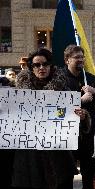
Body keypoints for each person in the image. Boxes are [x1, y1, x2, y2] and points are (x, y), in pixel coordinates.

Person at [12, 48, 84, 189]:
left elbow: (70, 121)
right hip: (29, 158)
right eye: (37, 65)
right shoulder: (19, 93)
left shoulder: (63, 90)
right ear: (31, 68)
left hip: (58, 156)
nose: (41, 68)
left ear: (51, 65)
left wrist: (80, 117)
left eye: (45, 64)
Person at [63, 45, 95, 189]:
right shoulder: (60, 79)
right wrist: (80, 100)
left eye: (82, 57)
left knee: (90, 174)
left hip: (88, 136)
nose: (80, 60)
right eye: (76, 57)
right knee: (66, 174)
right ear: (67, 60)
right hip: (66, 136)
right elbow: (56, 105)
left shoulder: (91, 79)